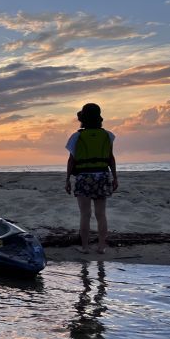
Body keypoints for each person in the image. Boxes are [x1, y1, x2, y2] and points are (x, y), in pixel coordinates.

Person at [64, 103, 118, 254]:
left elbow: (71, 160)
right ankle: (102, 247)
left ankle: (85, 247)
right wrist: (115, 177)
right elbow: (110, 158)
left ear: (83, 118)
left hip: (84, 177)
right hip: (102, 176)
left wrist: (67, 179)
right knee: (101, 214)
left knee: (85, 214)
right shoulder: (108, 135)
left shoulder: (77, 136)